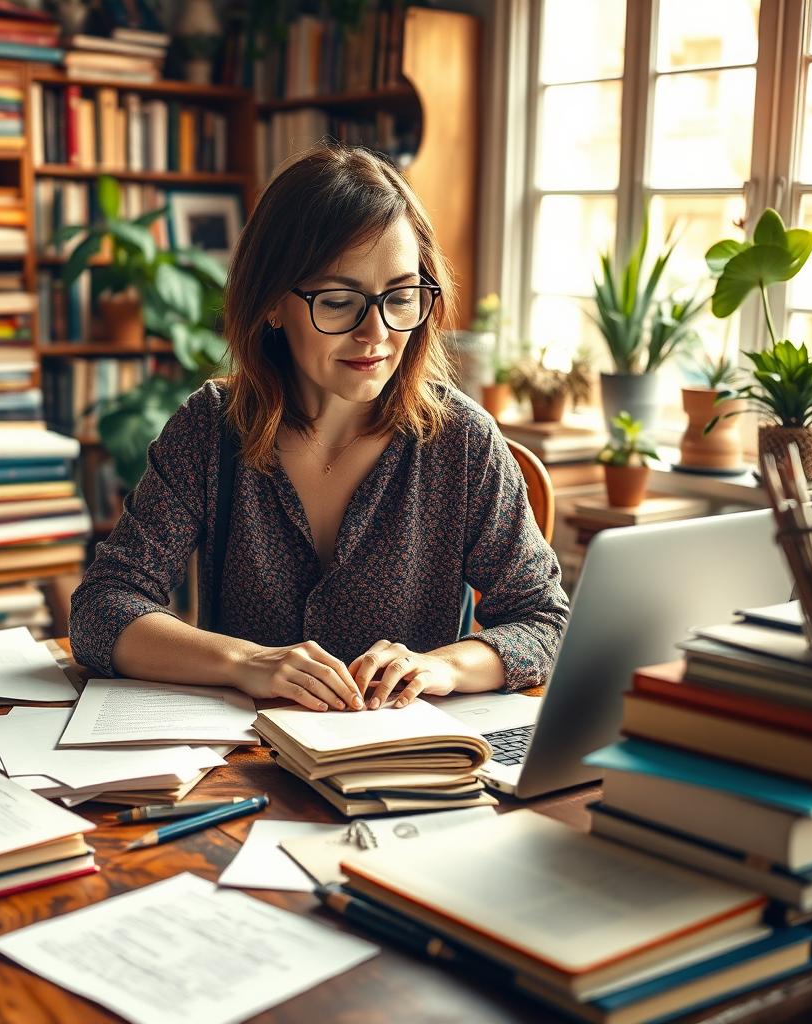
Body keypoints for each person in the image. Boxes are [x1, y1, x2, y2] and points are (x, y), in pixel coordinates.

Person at [70, 144, 568, 713]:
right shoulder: (212, 430)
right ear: (272, 304)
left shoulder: (463, 444)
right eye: (338, 302)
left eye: (401, 297)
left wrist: (442, 666)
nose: (376, 333)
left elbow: (542, 621)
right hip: (248, 773)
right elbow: (101, 609)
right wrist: (246, 662)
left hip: (405, 772)